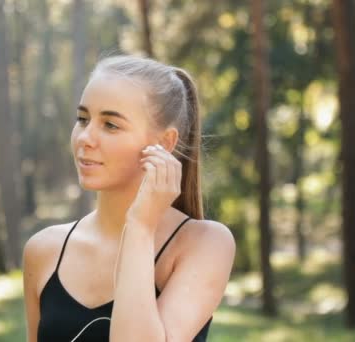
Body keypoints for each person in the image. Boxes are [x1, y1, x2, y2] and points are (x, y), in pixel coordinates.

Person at [22, 54, 236, 342]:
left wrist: (140, 226)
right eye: (83, 119)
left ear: (164, 144)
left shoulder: (205, 243)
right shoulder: (42, 250)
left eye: (111, 125)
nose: (85, 137)